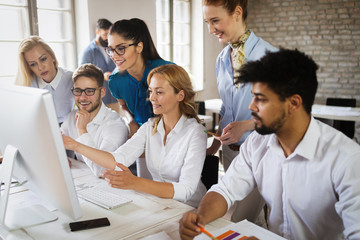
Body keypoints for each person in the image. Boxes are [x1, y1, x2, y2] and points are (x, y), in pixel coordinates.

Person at [179, 49, 360, 240]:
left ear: (294, 103)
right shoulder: (257, 143)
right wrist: (199, 217)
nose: (251, 107)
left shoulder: (347, 160)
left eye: (261, 99)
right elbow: (224, 190)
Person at [63, 64, 208, 207]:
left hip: (192, 208)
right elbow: (117, 160)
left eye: (159, 92)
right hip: (161, 204)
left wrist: (135, 182)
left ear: (180, 95)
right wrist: (76, 145)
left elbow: (186, 190)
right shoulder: (149, 127)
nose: (152, 98)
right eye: (150, 91)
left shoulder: (195, 132)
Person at [203, 0, 277, 223]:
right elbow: (227, 107)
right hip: (229, 152)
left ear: (237, 13)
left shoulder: (270, 57)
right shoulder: (221, 59)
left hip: (260, 151)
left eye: (215, 21)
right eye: (207, 22)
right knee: (242, 219)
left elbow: (280, 111)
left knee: (243, 218)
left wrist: (245, 126)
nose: (210, 29)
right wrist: (216, 144)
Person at [106, 18, 173, 177]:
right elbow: (124, 106)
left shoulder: (167, 70)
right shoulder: (116, 81)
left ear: (139, 47)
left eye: (121, 48)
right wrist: (131, 120)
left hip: (171, 139)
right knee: (146, 189)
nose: (114, 56)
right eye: (110, 49)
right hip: (142, 140)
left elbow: (183, 109)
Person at [60, 64, 128, 177]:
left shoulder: (115, 125)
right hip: (84, 179)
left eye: (89, 91)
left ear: (102, 92)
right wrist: (59, 158)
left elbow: (102, 170)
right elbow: (55, 143)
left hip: (109, 185)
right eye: (78, 91)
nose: (82, 97)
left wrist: (82, 130)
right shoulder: (72, 116)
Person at [15, 36, 74, 125]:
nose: (40, 67)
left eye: (43, 59)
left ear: (52, 56)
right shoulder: (27, 85)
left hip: (69, 130)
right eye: (33, 64)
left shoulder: (72, 78)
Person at [80, 18, 120, 113]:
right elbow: (82, 75)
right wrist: (102, 76)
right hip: (97, 101)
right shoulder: (88, 52)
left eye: (109, 34)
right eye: (105, 34)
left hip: (115, 98)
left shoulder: (113, 49)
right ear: (97, 32)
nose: (107, 38)